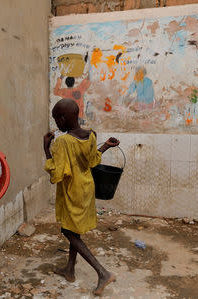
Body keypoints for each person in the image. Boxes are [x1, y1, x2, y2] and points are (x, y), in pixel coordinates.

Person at [43, 99, 119, 296]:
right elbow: (93, 160)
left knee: (68, 232)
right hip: (86, 189)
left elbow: (56, 175)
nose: (56, 123)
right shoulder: (91, 135)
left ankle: (102, 273)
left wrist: (46, 149)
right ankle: (70, 270)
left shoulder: (62, 142)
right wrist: (106, 147)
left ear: (63, 118)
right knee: (74, 230)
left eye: (56, 119)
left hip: (72, 192)